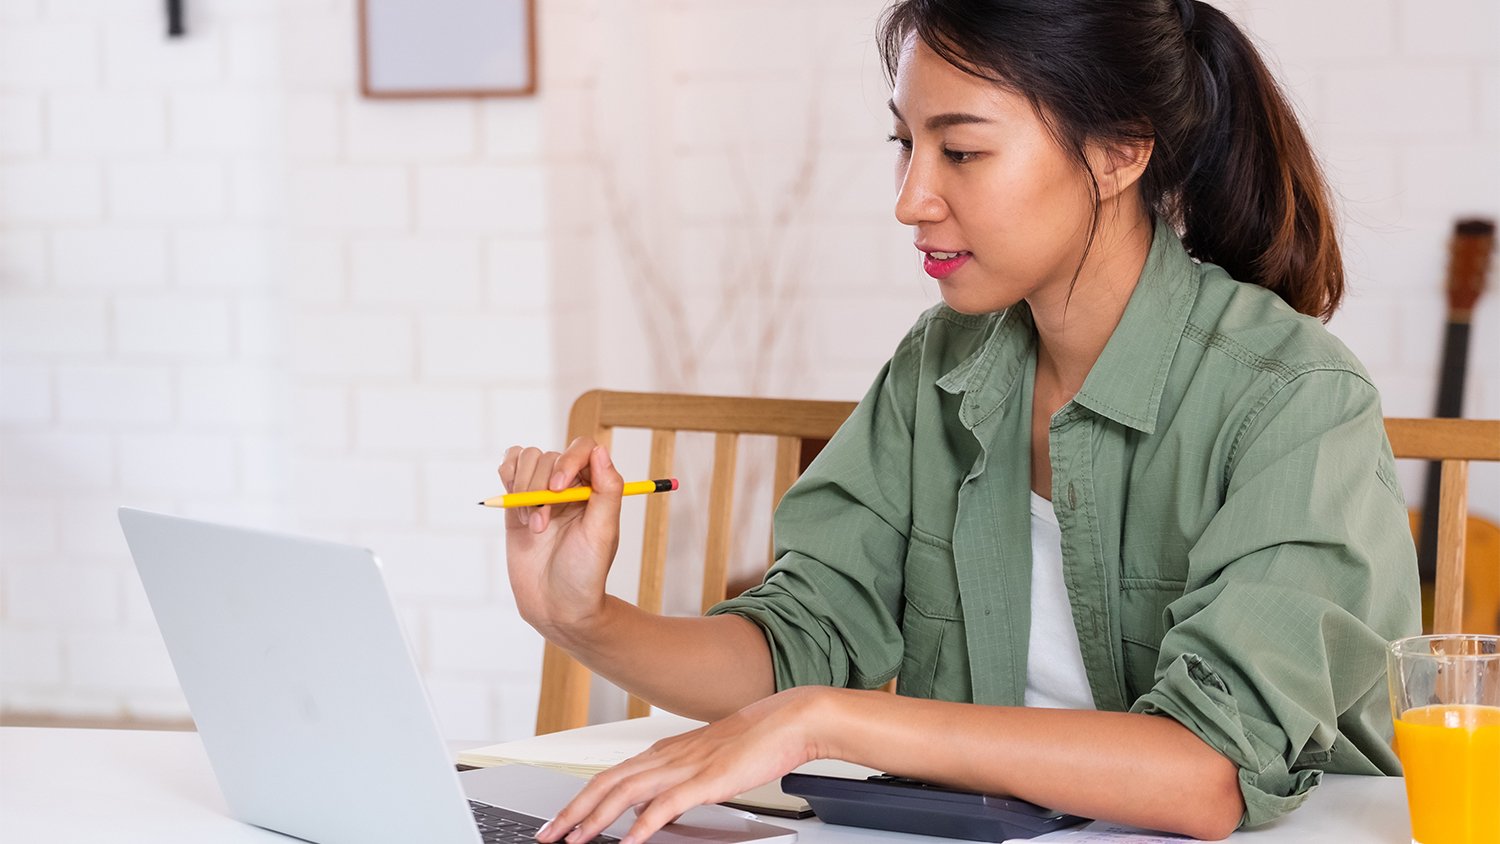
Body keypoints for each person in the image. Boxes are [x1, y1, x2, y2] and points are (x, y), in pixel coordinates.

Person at [499, 1, 1419, 841]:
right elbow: (796, 646)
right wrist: (585, 618)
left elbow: (1209, 770)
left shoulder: (1295, 397)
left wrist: (825, 719)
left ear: (1118, 151)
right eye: (906, 144)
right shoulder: (940, 364)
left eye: (963, 151)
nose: (911, 199)